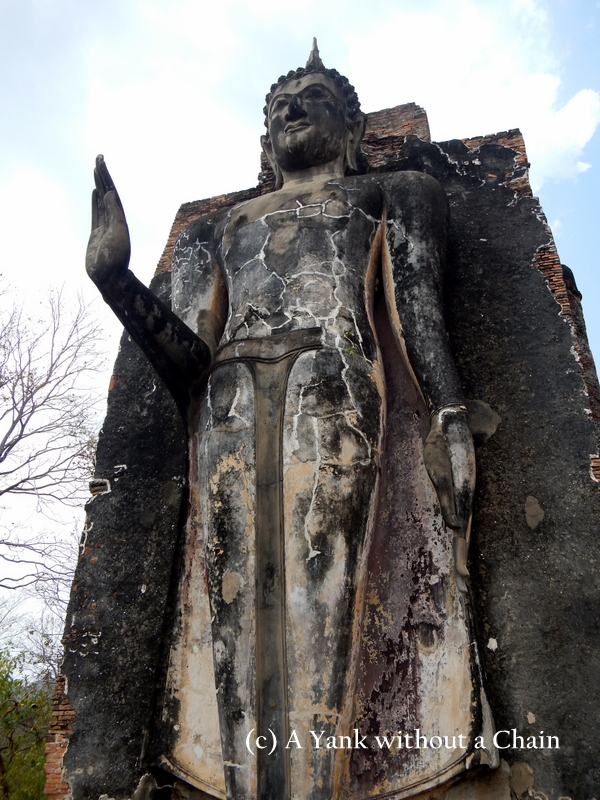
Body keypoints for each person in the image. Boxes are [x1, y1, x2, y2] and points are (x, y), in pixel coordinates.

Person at [87, 42, 492, 800]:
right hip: (229, 397)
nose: (291, 111)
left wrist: (448, 416)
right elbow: (186, 360)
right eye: (278, 107)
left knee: (319, 592)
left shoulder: (394, 194)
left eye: (310, 99)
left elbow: (417, 318)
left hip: (329, 381)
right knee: (231, 604)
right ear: (265, 139)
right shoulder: (222, 227)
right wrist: (115, 279)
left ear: (351, 125)